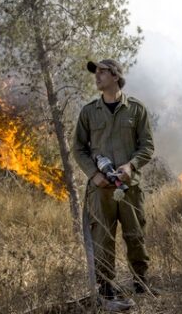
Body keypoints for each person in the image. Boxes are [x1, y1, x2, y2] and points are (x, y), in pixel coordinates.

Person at [73, 59, 156, 305]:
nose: (96, 77)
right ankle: (106, 287)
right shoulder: (89, 112)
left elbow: (147, 146)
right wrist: (94, 174)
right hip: (100, 190)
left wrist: (131, 166)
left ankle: (140, 282)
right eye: (95, 73)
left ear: (116, 75)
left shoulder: (136, 110)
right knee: (102, 237)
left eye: (102, 72)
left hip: (129, 188)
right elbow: (78, 148)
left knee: (135, 234)